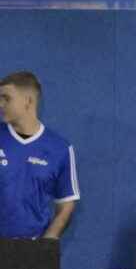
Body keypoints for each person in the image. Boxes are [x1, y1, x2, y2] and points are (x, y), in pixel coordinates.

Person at [0, 71, 79, 241]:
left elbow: (66, 204)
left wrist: (47, 243)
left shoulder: (60, 149)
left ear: (28, 101)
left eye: (6, 98)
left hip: (33, 253)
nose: (1, 104)